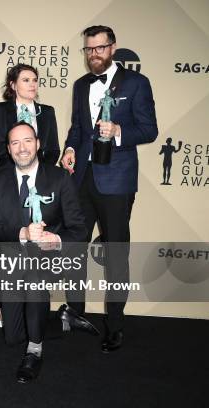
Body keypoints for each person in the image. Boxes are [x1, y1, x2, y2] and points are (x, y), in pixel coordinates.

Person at [60, 25, 158, 352]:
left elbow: (149, 129)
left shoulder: (136, 83)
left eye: (99, 49)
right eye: (88, 50)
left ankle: (115, 325)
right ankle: (75, 313)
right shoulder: (80, 85)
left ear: (113, 48)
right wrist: (71, 149)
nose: (93, 55)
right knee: (74, 248)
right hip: (81, 179)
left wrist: (118, 130)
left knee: (116, 254)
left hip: (116, 181)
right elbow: (77, 128)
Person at [0, 122, 86, 383]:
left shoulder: (59, 178)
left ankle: (35, 350)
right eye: (16, 143)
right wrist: (22, 233)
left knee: (35, 280)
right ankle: (62, 319)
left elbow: (79, 229)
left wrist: (56, 239)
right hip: (12, 259)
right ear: (8, 149)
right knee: (12, 336)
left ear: (38, 143)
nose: (22, 148)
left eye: (28, 141)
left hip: (47, 259)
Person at [0, 64, 60, 172]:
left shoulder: (47, 112)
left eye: (35, 80)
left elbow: (53, 150)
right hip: (6, 174)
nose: (32, 84)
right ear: (13, 85)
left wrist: (40, 171)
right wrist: (16, 147)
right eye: (26, 80)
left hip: (39, 175)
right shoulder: (0, 110)